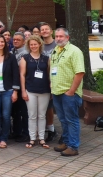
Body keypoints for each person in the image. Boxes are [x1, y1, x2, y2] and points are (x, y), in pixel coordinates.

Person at [51, 28, 85, 156]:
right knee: (63, 120)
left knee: (72, 120)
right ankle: (66, 142)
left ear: (67, 37)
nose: (58, 38)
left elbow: (80, 72)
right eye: (57, 36)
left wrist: (71, 91)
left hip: (69, 93)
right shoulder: (56, 50)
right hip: (57, 91)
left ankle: (73, 146)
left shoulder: (74, 51)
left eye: (61, 36)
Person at [19, 35, 51, 149]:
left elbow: (49, 74)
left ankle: (41, 138)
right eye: (31, 44)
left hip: (44, 90)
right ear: (28, 46)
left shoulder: (46, 58)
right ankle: (32, 138)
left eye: (35, 44)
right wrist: (23, 91)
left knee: (42, 115)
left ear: (40, 44)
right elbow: (22, 75)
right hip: (30, 90)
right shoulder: (25, 58)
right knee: (32, 115)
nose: (33, 46)